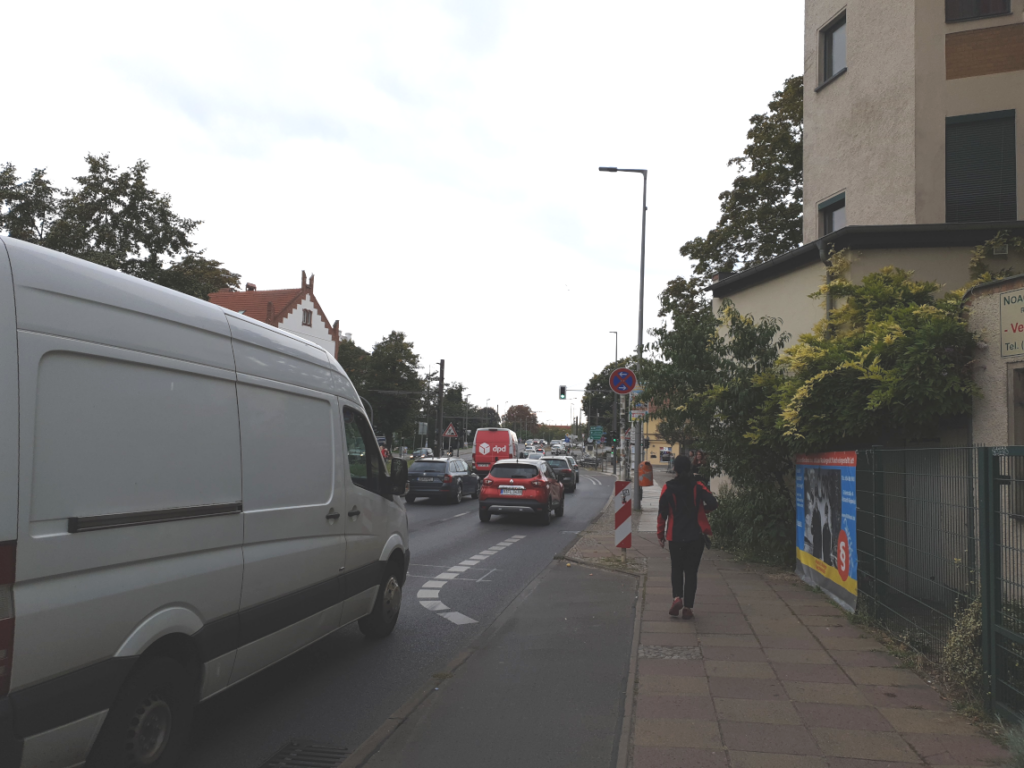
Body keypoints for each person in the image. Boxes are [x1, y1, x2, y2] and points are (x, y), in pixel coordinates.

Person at [657, 455, 717, 619]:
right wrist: (702, 510)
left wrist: (660, 534)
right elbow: (713, 503)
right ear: (690, 468)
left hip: (675, 536)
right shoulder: (698, 486)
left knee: (676, 569)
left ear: (675, 469)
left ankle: (677, 598)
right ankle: (688, 608)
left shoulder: (668, 487)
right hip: (695, 536)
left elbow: (662, 513)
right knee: (691, 572)